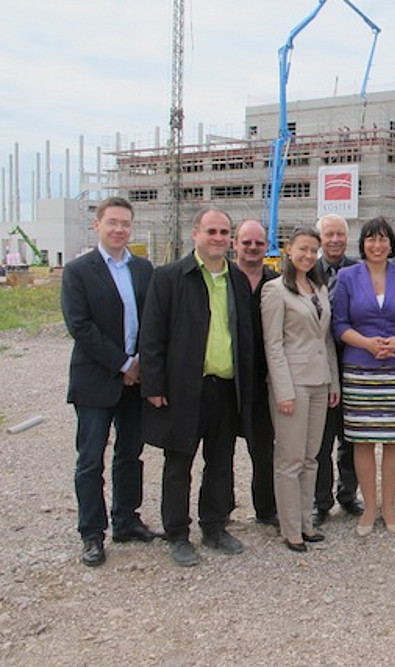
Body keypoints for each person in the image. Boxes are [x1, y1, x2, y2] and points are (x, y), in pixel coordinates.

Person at [141, 207, 254, 567]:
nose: (218, 238)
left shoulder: (237, 280)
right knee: (179, 463)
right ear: (196, 234)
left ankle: (214, 526)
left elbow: (246, 336)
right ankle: (177, 534)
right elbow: (152, 335)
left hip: (226, 388)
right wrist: (154, 384)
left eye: (224, 232)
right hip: (185, 388)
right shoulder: (170, 277)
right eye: (211, 231)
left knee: (220, 461)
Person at [62, 196, 157, 566]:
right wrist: (122, 364)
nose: (119, 229)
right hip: (96, 379)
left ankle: (126, 520)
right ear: (97, 225)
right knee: (90, 460)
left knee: (130, 454)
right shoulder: (78, 271)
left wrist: (141, 363)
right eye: (112, 222)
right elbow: (80, 326)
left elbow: (154, 320)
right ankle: (91, 533)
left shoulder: (143, 269)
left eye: (125, 223)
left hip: (136, 379)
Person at [333, 217, 395, 536]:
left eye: (383, 238)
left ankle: (389, 506)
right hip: (360, 368)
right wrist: (367, 344)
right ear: (363, 244)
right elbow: (339, 324)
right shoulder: (347, 276)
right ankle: (369, 507)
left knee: (394, 440)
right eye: (371, 239)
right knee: (362, 440)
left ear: (391, 243)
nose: (377, 245)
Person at [261, 227, 340, 552]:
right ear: (288, 250)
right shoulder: (275, 290)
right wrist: (283, 391)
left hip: (319, 381)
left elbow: (326, 339)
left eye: (313, 251)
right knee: (290, 459)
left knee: (311, 458)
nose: (308, 255)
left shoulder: (318, 288)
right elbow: (273, 344)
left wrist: (333, 380)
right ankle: (291, 528)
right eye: (302, 249)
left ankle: (307, 523)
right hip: (292, 383)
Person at [313, 213, 362, 525]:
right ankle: (320, 501)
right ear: (320, 239)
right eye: (329, 234)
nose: (334, 240)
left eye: (340, 234)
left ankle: (348, 494)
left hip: (353, 362)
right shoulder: (307, 271)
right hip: (319, 366)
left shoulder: (359, 271)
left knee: (351, 437)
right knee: (321, 438)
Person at [233, 219, 280, 528]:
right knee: (220, 451)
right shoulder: (223, 279)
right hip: (229, 379)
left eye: (259, 243)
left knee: (264, 450)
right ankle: (219, 511)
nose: (252, 248)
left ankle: (266, 508)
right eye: (246, 242)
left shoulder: (277, 282)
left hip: (265, 381)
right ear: (235, 244)